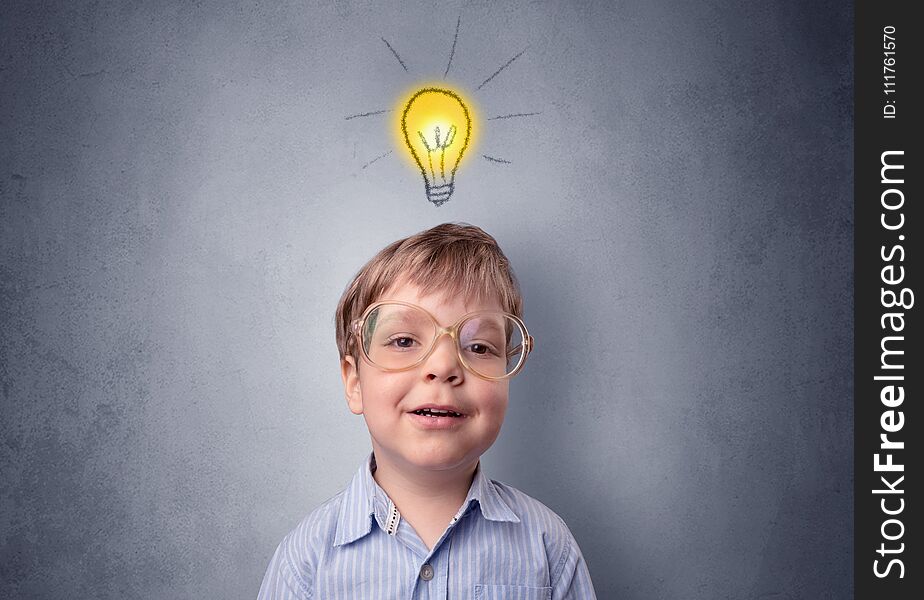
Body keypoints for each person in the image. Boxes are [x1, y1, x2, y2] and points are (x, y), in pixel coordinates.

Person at [257, 223, 596, 599]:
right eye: (403, 340)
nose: (444, 366)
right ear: (355, 384)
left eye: (480, 347)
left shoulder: (548, 548)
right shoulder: (306, 561)